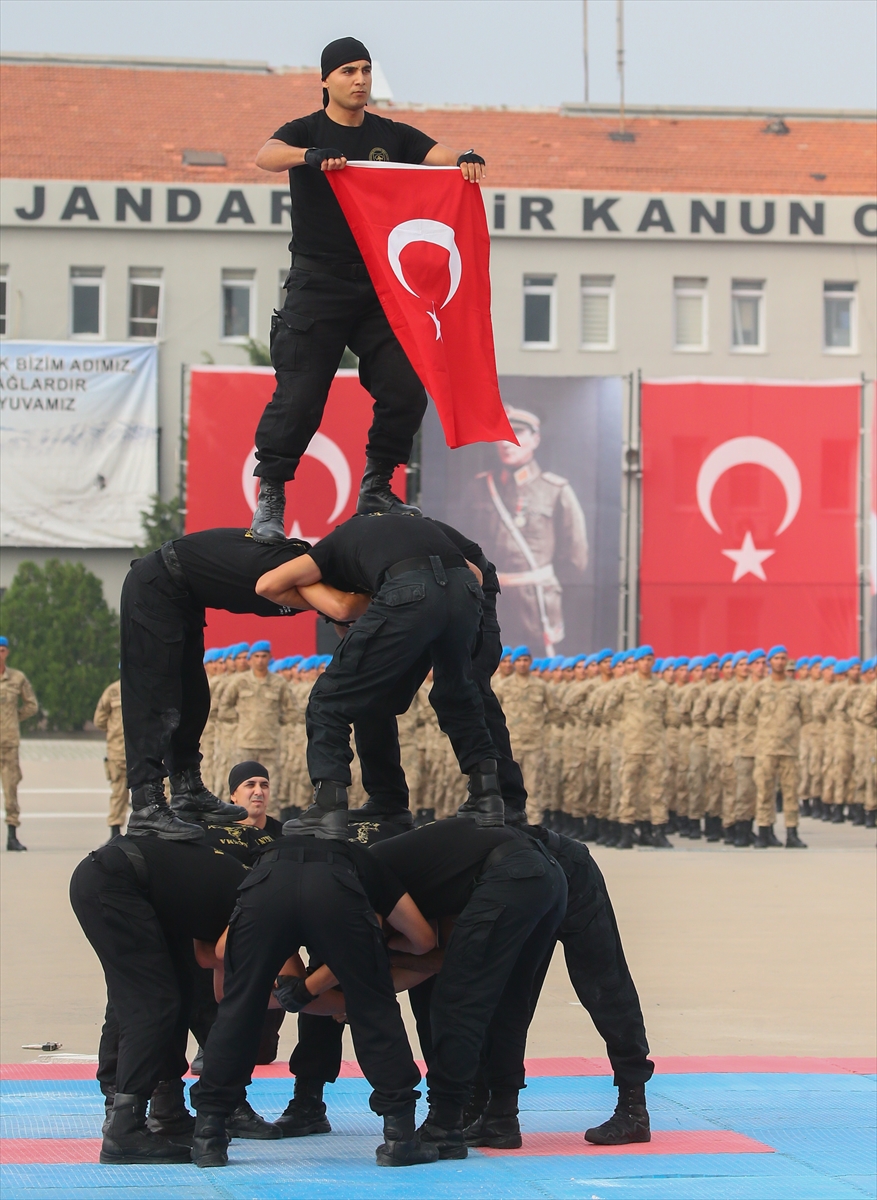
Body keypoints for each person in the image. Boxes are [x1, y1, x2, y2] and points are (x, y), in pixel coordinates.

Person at [249, 36, 487, 541]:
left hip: (380, 286)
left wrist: (464, 157)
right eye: (348, 72)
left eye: (365, 70)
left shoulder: (389, 134)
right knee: (300, 397)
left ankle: (377, 487)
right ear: (325, 81)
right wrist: (308, 156)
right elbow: (265, 157)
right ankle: (270, 499)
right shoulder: (305, 130)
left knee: (405, 388)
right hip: (318, 283)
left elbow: (438, 155)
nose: (359, 80)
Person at [189, 830, 440, 1169]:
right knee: (374, 1007)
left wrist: (282, 983)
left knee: (238, 1009)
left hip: (269, 890)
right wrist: (377, 956)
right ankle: (400, 1135)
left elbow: (222, 957)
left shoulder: (262, 862)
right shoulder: (364, 859)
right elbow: (423, 939)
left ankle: (208, 1135)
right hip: (336, 890)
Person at [255, 513, 504, 832]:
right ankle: (486, 797)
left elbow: (268, 585)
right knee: (456, 693)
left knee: (328, 699)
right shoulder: (408, 528)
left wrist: (336, 607)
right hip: (465, 591)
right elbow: (474, 574)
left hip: (407, 592)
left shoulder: (333, 546)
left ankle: (329, 805)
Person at [119, 528, 368, 840]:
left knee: (193, 699)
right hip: (156, 585)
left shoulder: (322, 581)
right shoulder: (301, 567)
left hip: (185, 598)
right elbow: (340, 609)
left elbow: (345, 621)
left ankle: (189, 791)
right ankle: (147, 805)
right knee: (155, 700)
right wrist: (361, 606)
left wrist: (350, 621)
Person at [368, 820, 567, 1158]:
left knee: (456, 1002)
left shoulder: (360, 879)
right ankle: (501, 1117)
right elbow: (442, 958)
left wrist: (346, 993)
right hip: (548, 877)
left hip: (511, 876)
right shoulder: (412, 867)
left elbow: (365, 954)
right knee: (507, 1002)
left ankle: (444, 1125)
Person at [465, 822, 653, 1150]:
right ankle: (495, 1113)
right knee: (505, 996)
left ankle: (634, 1109)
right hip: (516, 876)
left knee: (606, 985)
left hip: (565, 871)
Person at [69, 835, 248, 1164]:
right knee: (151, 1002)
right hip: (113, 883)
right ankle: (124, 1126)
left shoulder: (249, 888)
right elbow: (232, 978)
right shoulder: (257, 903)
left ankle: (166, 1113)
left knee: (176, 993)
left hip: (125, 884)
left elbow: (209, 964)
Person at [467, 407, 588, 656]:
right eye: (501, 434)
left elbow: (575, 559)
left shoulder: (555, 490)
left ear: (536, 439)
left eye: (516, 432)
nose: (506, 442)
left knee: (539, 672)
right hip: (491, 600)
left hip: (538, 603)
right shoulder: (478, 488)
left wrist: (546, 585)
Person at [604, 645, 679, 849]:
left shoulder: (662, 687)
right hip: (631, 745)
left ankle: (658, 832)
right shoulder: (625, 685)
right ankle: (626, 833)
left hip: (655, 746)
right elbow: (609, 709)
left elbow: (673, 715)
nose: (646, 663)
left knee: (657, 790)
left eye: (649, 659)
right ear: (636, 663)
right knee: (628, 789)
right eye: (642, 659)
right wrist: (627, 724)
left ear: (653, 662)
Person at [740, 645, 811, 848]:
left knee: (790, 793)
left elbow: (807, 715)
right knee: (764, 792)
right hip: (766, 749)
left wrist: (790, 730)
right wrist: (764, 728)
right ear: (770, 662)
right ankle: (763, 833)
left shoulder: (796, 689)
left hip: (789, 749)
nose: (780, 662)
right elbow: (746, 713)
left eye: (783, 658)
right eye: (776, 658)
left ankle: (792, 833)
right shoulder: (761, 688)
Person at [218, 641, 295, 818]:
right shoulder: (240, 682)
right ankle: (240, 823)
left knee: (270, 791)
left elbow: (292, 710)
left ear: (269, 658)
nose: (260, 660)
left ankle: (270, 829)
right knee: (241, 789)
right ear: (251, 659)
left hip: (270, 744)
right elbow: (224, 707)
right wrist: (242, 720)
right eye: (256, 657)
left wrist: (276, 721)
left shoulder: (278, 683)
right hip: (245, 743)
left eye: (263, 656)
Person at [0, 635, 39, 852]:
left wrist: (14, 718)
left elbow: (31, 705)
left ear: (7, 652)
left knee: (10, 789)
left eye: (2, 649)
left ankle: (12, 835)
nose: (0, 653)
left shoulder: (17, 678)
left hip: (8, 743)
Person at [94, 677, 128, 840]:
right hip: (118, 750)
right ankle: (115, 831)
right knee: (118, 791)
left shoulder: (147, 686)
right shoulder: (113, 691)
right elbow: (99, 719)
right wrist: (115, 733)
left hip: (144, 750)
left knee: (152, 791)